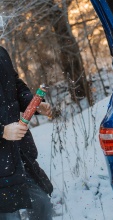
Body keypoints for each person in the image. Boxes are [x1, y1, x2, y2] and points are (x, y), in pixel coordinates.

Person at [0, 45, 53, 220]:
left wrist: (35, 104)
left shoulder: (1, 52)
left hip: (16, 155)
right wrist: (2, 131)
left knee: (42, 205)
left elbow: (15, 86)